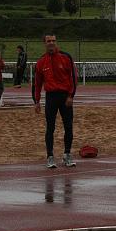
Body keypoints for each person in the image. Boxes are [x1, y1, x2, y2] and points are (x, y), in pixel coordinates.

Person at [33, 34, 78, 169]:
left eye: (53, 41)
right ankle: (50, 156)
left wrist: (71, 96)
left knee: (68, 126)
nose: (51, 43)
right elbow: (37, 83)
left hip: (65, 97)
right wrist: (36, 101)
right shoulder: (41, 62)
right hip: (51, 97)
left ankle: (67, 154)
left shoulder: (66, 57)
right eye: (48, 41)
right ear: (44, 43)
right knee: (50, 128)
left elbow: (74, 78)